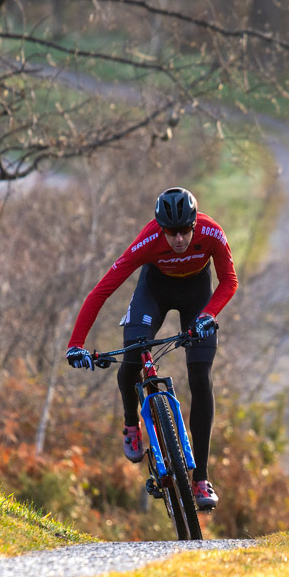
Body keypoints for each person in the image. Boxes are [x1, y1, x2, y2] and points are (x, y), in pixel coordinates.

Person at [65, 187, 238, 511]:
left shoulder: (212, 232)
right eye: (170, 232)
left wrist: (207, 316)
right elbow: (101, 290)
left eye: (184, 230)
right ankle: (132, 424)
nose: (178, 239)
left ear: (193, 224)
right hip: (154, 292)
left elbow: (229, 281)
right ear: (160, 227)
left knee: (201, 377)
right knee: (133, 357)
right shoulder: (148, 241)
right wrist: (76, 345)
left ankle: (200, 479)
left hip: (197, 297)